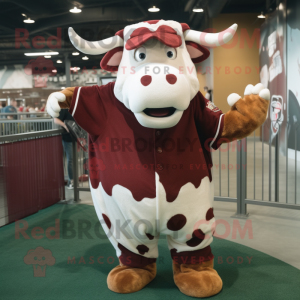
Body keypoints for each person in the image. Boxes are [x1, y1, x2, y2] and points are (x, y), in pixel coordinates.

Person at [54, 109, 75, 189]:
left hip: (76, 137)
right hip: (67, 137)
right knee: (71, 160)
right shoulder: (64, 108)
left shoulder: (75, 107)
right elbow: (55, 119)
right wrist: (65, 125)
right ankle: (71, 181)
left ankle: (73, 181)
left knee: (73, 160)